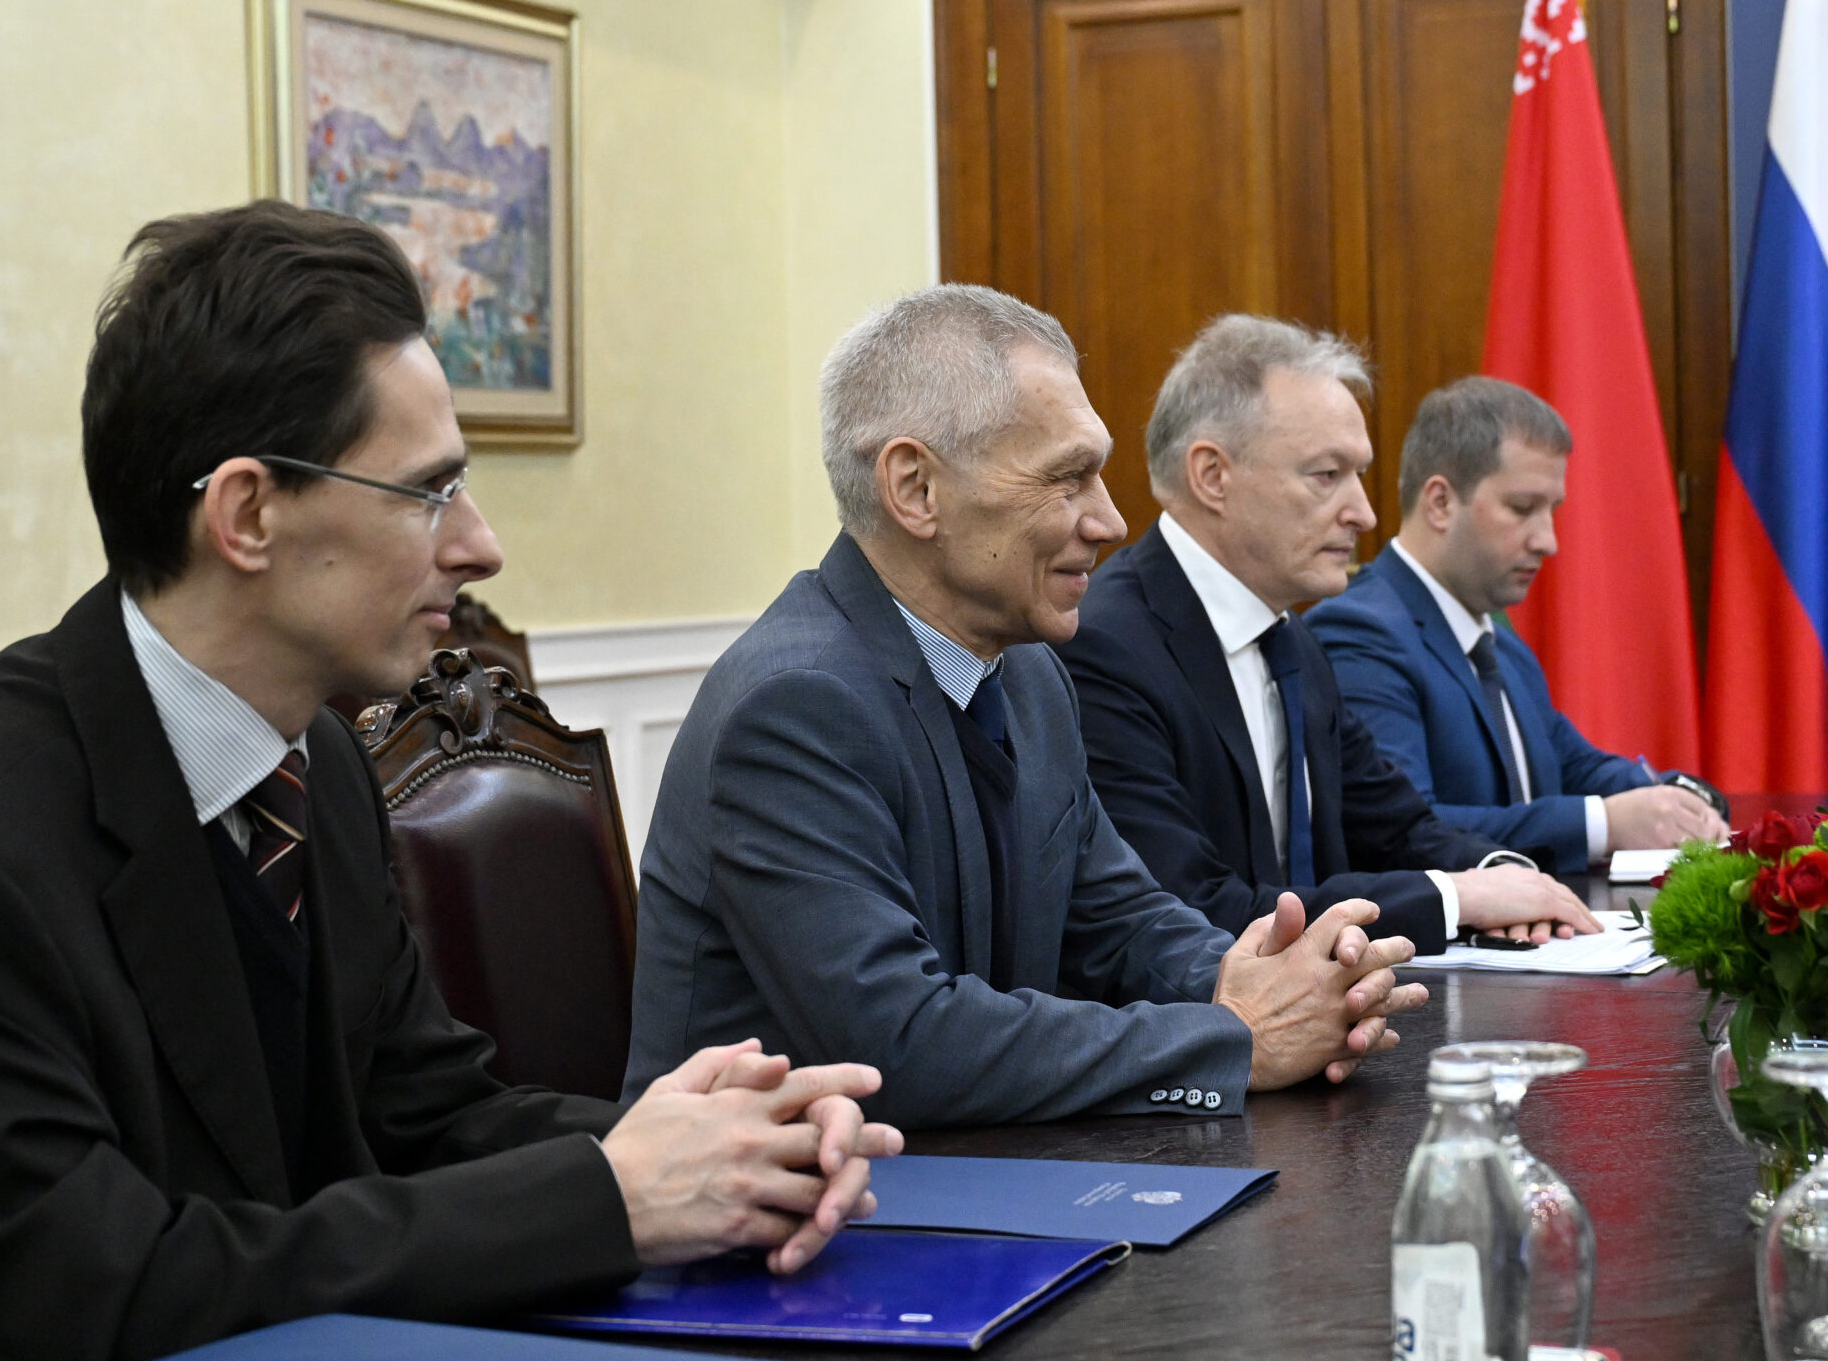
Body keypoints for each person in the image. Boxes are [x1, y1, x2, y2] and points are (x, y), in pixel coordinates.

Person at [0, 203, 898, 1361]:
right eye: (430, 491)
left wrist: (718, 1142)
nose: (481, 545)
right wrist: (608, 1195)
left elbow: (428, 1113)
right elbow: (104, 1299)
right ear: (247, 514)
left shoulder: (318, 759)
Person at [625, 286, 1425, 1129]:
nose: (1110, 519)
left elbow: (1117, 918)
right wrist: (1238, 1039)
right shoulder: (794, 706)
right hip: (797, 1195)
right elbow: (900, 1045)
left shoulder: (1033, 675)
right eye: (1067, 477)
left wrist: (1254, 975)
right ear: (916, 488)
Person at [1056, 316, 1601, 949]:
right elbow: (1188, 907)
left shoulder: (1290, 637)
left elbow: (1396, 827)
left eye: (1360, 475)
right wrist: (1457, 899)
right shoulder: (1104, 647)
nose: (1363, 513)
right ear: (1212, 476)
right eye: (1326, 475)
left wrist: (1503, 877)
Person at [1304, 377, 1728, 871]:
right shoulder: (1359, 633)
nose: (1548, 541)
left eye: (1552, 511)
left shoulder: (1498, 645)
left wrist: (1681, 801)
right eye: (1523, 509)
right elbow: (1405, 830)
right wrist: (1604, 824)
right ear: (1440, 503)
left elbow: (1579, 767)